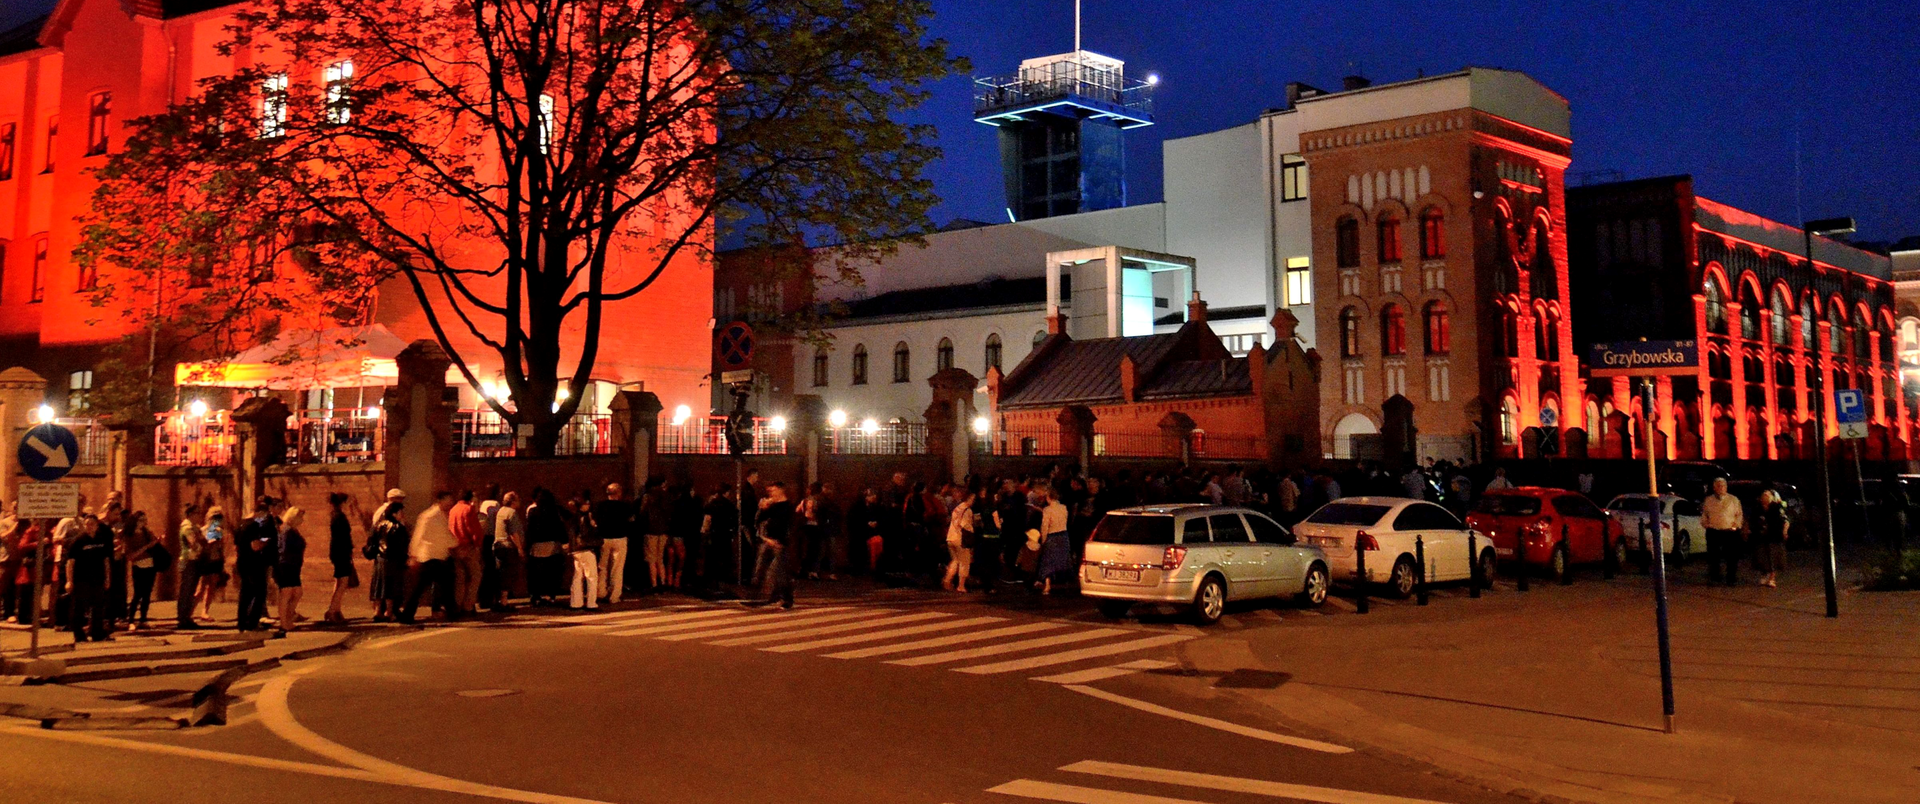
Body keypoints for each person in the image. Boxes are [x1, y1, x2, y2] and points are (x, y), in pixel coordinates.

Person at [401, 491, 457, 623]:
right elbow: (418, 535)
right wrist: (413, 554)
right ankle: (407, 615)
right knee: (420, 588)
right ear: (440, 500)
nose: (450, 503)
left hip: (438, 556)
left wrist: (454, 543)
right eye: (448, 500)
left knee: (445, 585)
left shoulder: (440, 515)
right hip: (428, 557)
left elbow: (444, 536)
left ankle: (451, 611)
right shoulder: (429, 516)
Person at [234, 499, 280, 632]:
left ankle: (242, 622)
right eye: (264, 514)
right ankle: (252, 622)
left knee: (245, 593)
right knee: (259, 592)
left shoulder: (240, 524)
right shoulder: (253, 526)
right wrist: (266, 542)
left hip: (242, 561)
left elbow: (236, 545)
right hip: (253, 563)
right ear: (260, 512)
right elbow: (255, 546)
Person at [68, 511, 114, 641]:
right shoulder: (78, 541)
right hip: (81, 579)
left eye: (92, 524)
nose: (89, 526)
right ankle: (79, 635)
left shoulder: (101, 540)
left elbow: (106, 561)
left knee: (98, 607)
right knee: (79, 608)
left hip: (98, 578)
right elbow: (70, 562)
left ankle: (97, 633)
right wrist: (69, 581)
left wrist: (108, 578)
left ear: (97, 526)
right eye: (87, 524)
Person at [751, 482, 796, 608]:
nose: (771, 494)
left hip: (779, 543)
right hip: (768, 540)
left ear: (781, 490)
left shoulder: (787, 506)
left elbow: (786, 526)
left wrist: (780, 541)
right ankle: (764, 596)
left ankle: (786, 598)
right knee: (760, 569)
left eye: (774, 490)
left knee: (779, 571)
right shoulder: (772, 506)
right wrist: (762, 508)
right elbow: (758, 520)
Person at [367, 491, 407, 622]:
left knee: (379, 586)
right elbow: (401, 546)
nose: (403, 515)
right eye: (401, 512)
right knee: (391, 587)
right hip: (393, 560)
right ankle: (389, 612)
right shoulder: (398, 527)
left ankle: (377, 611)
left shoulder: (379, 523)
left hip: (380, 558)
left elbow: (372, 539)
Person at [524, 489, 569, 606]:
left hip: (537, 546)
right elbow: (561, 525)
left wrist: (527, 545)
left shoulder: (533, 511)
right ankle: (551, 595)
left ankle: (536, 595)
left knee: (536, 573)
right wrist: (565, 541)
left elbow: (530, 529)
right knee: (553, 572)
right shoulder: (554, 510)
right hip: (553, 545)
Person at [1701, 477, 1746, 586]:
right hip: (1714, 531)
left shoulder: (1733, 500)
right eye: (1718, 486)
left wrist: (1736, 525)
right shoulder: (1709, 500)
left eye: (1723, 486)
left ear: (1726, 487)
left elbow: (1739, 515)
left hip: (1729, 531)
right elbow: (1704, 514)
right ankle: (1715, 577)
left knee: (1732, 556)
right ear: (1714, 488)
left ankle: (1731, 578)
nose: (1721, 488)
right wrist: (1706, 524)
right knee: (1713, 556)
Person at [121, 511, 161, 630]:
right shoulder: (129, 535)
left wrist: (156, 541)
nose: (143, 523)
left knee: (147, 594)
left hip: (150, 565)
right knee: (138, 594)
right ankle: (131, 620)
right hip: (138, 566)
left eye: (145, 520)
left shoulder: (146, 532)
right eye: (140, 520)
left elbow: (153, 544)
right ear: (135, 521)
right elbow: (130, 556)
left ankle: (143, 619)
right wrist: (145, 547)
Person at [449, 490, 484, 616]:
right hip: (467, 546)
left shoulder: (453, 509)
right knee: (475, 576)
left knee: (460, 578)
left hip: (455, 547)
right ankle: (468, 605)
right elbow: (474, 529)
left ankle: (457, 605)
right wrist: (477, 544)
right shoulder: (469, 509)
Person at [274, 507, 307, 637]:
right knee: (287, 593)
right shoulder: (287, 531)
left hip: (294, 566)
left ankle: (288, 617)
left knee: (297, 592)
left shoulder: (294, 531)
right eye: (300, 517)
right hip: (286, 566)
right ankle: (284, 622)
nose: (302, 520)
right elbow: (283, 551)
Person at [324, 493, 356, 624]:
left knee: (339, 582)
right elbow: (342, 537)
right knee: (343, 583)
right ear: (343, 502)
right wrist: (348, 551)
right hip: (341, 553)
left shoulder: (335, 515)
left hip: (337, 552)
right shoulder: (339, 517)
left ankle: (335, 609)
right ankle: (332, 611)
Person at [1035, 484, 1073, 596]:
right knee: (1063, 560)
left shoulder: (1047, 510)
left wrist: (1043, 539)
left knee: (1048, 561)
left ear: (1048, 497)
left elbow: (1045, 526)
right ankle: (1065, 583)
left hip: (1052, 537)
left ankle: (1047, 586)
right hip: (1063, 536)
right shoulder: (1064, 508)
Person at [568, 492, 603, 610]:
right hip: (586, 548)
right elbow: (587, 534)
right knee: (591, 576)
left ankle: (576, 602)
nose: (588, 505)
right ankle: (591, 603)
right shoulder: (585, 518)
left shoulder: (573, 517)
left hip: (575, 550)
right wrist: (594, 526)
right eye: (586, 503)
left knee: (577, 576)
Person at [490, 491, 525, 607]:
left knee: (499, 573)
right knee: (508, 574)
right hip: (508, 547)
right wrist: (520, 548)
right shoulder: (512, 513)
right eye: (518, 499)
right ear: (513, 501)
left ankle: (497, 600)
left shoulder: (500, 511)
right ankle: (504, 602)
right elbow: (513, 532)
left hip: (498, 546)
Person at [196, 507, 229, 622]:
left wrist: (222, 562)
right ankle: (189, 611)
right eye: (214, 517)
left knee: (211, 587)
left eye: (219, 518)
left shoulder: (219, 531)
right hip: (205, 561)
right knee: (200, 587)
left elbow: (221, 548)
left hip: (216, 561)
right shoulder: (203, 530)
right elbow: (201, 545)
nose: (217, 520)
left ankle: (205, 611)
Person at [635, 479, 667, 598]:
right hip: (663, 531)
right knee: (660, 558)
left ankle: (654, 584)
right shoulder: (665, 497)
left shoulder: (648, 497)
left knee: (651, 559)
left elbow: (642, 513)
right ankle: (663, 583)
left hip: (650, 530)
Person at [943, 488, 977, 593]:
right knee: (964, 562)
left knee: (955, 560)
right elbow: (965, 524)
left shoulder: (958, 508)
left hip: (951, 537)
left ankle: (947, 579)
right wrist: (972, 529)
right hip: (960, 539)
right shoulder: (967, 510)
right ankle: (961, 586)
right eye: (973, 499)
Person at [1755, 489, 1789, 588]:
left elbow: (1785, 520)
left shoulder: (1777, 508)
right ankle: (1764, 574)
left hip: (1775, 536)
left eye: (1767, 495)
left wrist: (1784, 531)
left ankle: (1772, 578)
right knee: (1762, 556)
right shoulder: (1758, 508)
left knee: (1773, 557)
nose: (1765, 497)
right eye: (1763, 495)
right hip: (1761, 536)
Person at [848, 488, 885, 576]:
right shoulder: (857, 506)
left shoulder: (875, 507)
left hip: (871, 532)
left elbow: (881, 517)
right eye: (871, 495)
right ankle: (859, 568)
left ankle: (874, 567)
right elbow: (854, 520)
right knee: (859, 549)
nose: (874, 497)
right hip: (859, 532)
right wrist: (866, 523)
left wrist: (876, 523)